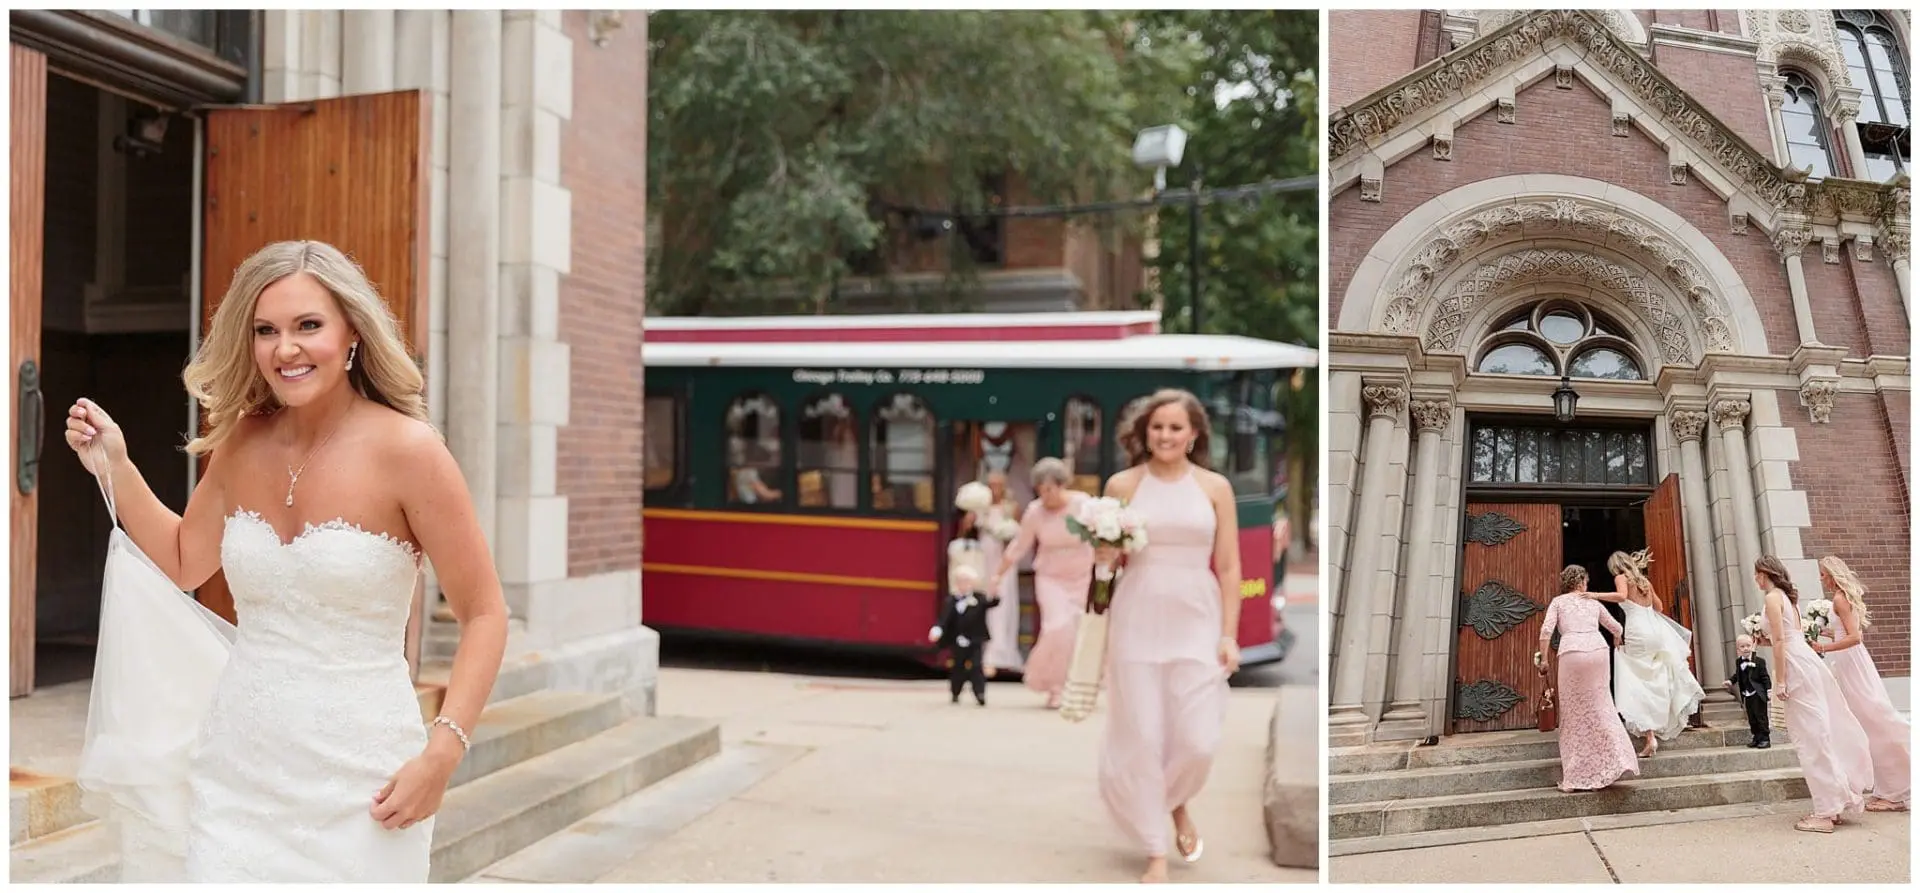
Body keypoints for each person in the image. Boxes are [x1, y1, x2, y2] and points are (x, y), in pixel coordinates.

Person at [64, 240, 509, 880]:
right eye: (266, 331)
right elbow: (186, 560)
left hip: (366, 781)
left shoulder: (411, 452)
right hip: (236, 773)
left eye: (308, 325)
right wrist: (117, 465)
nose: (285, 349)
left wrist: (442, 754)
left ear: (352, 333)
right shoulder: (242, 441)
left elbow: (485, 613)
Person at [1092, 390, 1239, 883]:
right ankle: (1155, 849)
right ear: (1144, 433)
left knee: (1198, 740)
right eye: (1157, 427)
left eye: (1176, 427)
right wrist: (1103, 560)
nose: (1165, 435)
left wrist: (1229, 635)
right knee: (1143, 736)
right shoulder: (1122, 484)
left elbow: (1229, 566)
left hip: (1197, 617)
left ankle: (1175, 803)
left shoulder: (1215, 487)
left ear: (1193, 434)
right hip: (1137, 615)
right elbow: (1105, 568)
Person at [1755, 555, 1872, 833]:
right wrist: (1764, 641)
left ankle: (1825, 813)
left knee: (1810, 739)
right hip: (1806, 661)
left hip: (1796, 668)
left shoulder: (1772, 598)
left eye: (1757, 573)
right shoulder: (1787, 598)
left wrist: (1780, 682)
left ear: (1765, 573)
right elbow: (1788, 637)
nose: (1755, 578)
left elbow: (1781, 640)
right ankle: (1834, 803)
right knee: (1818, 735)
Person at [989, 458, 1091, 709]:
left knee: (1075, 632)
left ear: (1062, 485)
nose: (1045, 496)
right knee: (1057, 627)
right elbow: (1019, 545)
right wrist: (998, 574)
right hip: (1050, 577)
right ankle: (1054, 686)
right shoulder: (1035, 511)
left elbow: (1100, 535)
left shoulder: (1083, 504)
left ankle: (1070, 685)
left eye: (1050, 489)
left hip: (1081, 576)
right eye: (1040, 490)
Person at [1810, 555, 1909, 812]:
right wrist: (1820, 631)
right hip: (1848, 662)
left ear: (1833, 575)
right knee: (1866, 724)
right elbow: (1845, 631)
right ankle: (1888, 789)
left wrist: (1823, 647)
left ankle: (1897, 792)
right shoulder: (1841, 598)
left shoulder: (1840, 599)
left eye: (1823, 574)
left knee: (1874, 721)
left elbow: (1855, 637)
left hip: (1852, 663)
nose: (1821, 578)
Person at [1581, 551, 1704, 757]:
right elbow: (1659, 607)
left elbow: (1621, 596)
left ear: (1615, 566)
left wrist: (1595, 595)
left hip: (1637, 632)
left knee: (1636, 680)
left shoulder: (1621, 578)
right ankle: (1656, 725)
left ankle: (1650, 737)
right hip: (1655, 632)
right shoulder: (1644, 581)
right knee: (1653, 676)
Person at [1540, 565, 1639, 792]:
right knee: (1601, 707)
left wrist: (1543, 659)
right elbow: (1616, 627)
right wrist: (1616, 638)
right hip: (1598, 651)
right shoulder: (1593, 602)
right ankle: (1609, 767)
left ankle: (1575, 778)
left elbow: (1546, 631)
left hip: (1572, 653)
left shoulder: (1558, 602)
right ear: (1582, 582)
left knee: (1573, 714)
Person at [968, 470, 1025, 677]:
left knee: (1002, 603)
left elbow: (1021, 535)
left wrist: (1008, 536)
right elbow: (965, 530)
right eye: (991, 485)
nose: (994, 489)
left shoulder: (1012, 507)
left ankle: (1001, 653)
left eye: (998, 485)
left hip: (1003, 558)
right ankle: (983, 654)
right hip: (983, 557)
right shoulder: (979, 508)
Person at [928, 564, 998, 706]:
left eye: (966, 581)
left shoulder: (979, 598)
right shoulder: (951, 601)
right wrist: (937, 630)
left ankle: (980, 693)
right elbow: (944, 619)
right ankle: (955, 692)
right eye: (960, 581)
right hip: (958, 640)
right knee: (958, 667)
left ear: (973, 583)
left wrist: (995, 589)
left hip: (975, 639)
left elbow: (993, 602)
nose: (963, 584)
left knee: (976, 666)